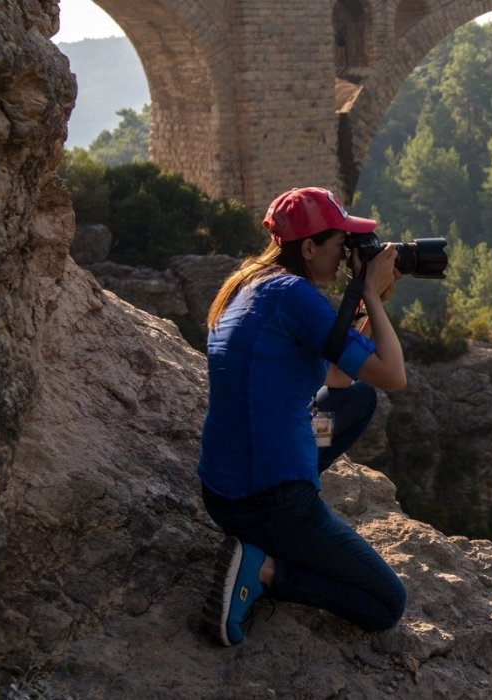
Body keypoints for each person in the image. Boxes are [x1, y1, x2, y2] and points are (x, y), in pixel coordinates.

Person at [197, 186, 407, 646]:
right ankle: (263, 569)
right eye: (341, 245)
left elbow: (338, 379)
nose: (348, 255)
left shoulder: (253, 283)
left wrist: (364, 299)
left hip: (228, 482)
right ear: (309, 248)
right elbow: (393, 374)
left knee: (355, 401)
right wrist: (369, 292)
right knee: (387, 603)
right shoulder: (297, 297)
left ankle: (277, 539)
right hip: (267, 499)